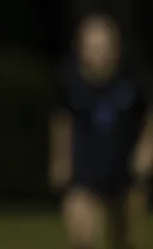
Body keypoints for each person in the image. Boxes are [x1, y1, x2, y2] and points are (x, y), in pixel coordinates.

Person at [49, 14, 153, 249]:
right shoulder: (69, 80)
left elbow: (148, 116)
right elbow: (61, 121)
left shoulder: (132, 77)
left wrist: (146, 152)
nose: (97, 54)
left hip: (126, 171)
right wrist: (60, 162)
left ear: (115, 47)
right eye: (91, 47)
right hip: (84, 170)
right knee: (83, 239)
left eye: (102, 47)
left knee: (128, 240)